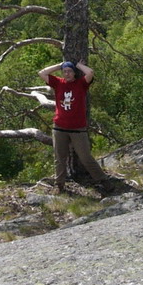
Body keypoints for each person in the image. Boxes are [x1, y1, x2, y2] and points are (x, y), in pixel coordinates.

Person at [38, 59, 112, 194]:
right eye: (65, 71)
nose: (67, 73)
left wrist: (78, 65)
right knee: (60, 158)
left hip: (78, 128)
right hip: (59, 127)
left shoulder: (81, 84)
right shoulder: (58, 83)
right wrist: (60, 65)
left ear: (74, 73)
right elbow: (42, 73)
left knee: (85, 157)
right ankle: (59, 185)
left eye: (70, 71)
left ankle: (103, 180)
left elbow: (90, 72)